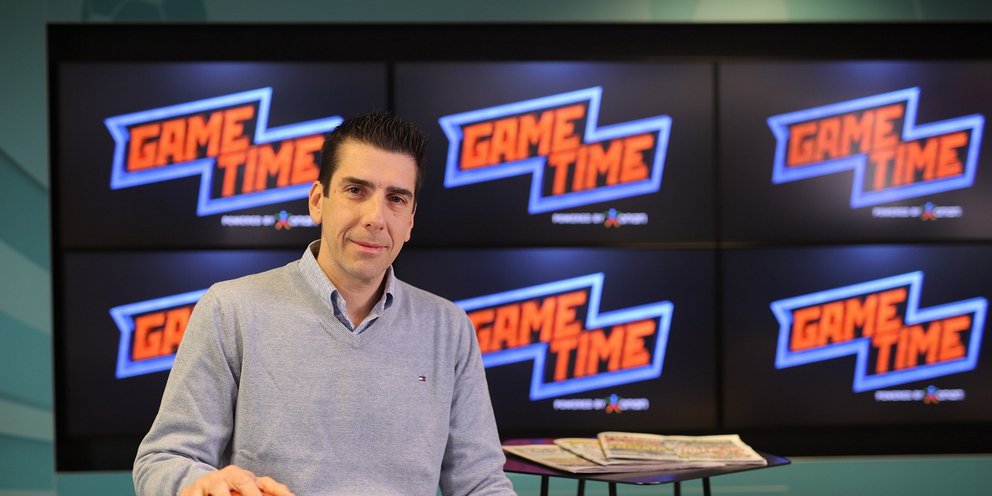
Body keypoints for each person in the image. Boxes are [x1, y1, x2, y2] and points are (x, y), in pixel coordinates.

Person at [133, 111, 516, 496]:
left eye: (396, 199)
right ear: (318, 201)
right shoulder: (230, 309)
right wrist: (202, 485)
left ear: (411, 220)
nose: (375, 218)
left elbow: (481, 483)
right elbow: (164, 459)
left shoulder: (448, 328)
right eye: (356, 191)